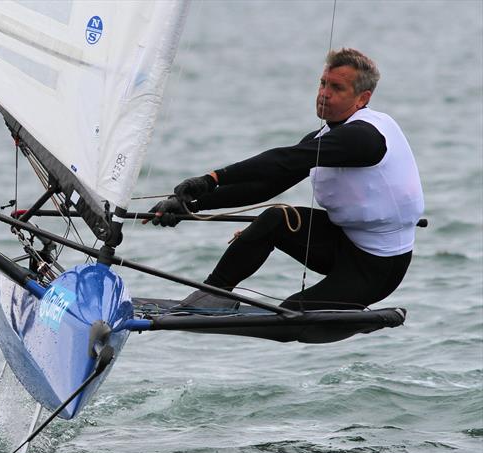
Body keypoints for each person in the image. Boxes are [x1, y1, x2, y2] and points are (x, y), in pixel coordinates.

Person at [146, 48, 424, 311]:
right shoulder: (323, 139)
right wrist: (190, 204)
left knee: (291, 312)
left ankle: (294, 317)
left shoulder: (365, 137)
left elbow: (284, 159)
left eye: (336, 88)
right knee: (277, 218)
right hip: (342, 244)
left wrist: (212, 178)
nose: (324, 94)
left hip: (377, 268)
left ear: (362, 98)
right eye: (322, 83)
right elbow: (266, 185)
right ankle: (212, 295)